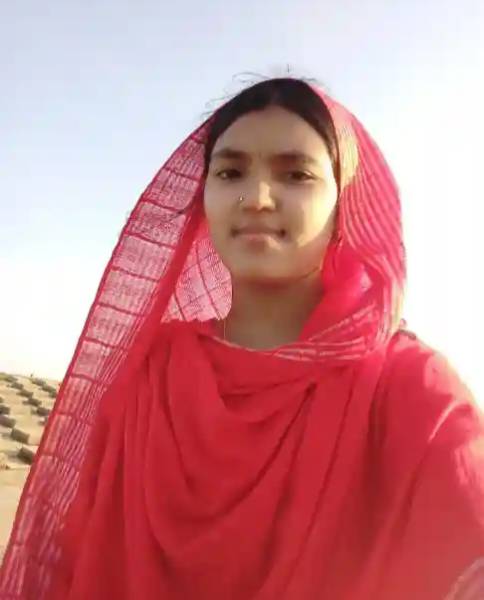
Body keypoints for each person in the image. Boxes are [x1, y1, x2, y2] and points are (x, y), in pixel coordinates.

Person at [1, 77, 483, 600]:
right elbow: (73, 550)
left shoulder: (406, 385)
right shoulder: (150, 369)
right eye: (230, 172)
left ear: (347, 202)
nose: (256, 198)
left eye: (295, 174)